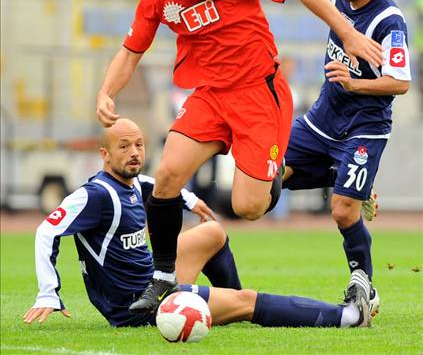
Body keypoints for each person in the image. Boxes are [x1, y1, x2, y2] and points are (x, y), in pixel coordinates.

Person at [96, 0, 383, 315]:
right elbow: (131, 51)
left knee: (248, 207)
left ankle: (332, 173)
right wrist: (107, 92)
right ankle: (162, 277)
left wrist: (349, 33)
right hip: (210, 96)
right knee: (166, 175)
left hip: (258, 96)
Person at [24, 118, 372, 329]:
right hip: (139, 306)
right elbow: (46, 230)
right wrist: (48, 292)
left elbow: (151, 184)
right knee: (249, 302)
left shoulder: (131, 184)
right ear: (105, 154)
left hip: (152, 280)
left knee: (213, 233)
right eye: (124, 146)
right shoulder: (95, 195)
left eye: (140, 145)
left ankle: (228, 301)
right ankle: (348, 318)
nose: (134, 152)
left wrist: (191, 200)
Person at [274, 0, 411, 319]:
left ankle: (363, 284)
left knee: (342, 210)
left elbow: (400, 82)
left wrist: (354, 84)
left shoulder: (389, 21)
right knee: (266, 181)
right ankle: (349, 178)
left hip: (364, 126)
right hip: (321, 121)